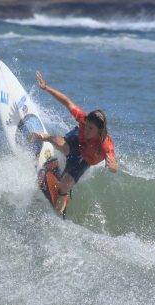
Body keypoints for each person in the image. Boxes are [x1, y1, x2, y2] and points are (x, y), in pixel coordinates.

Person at [29, 71, 118, 214]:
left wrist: (112, 166)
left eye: (91, 128)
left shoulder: (105, 144)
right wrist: (46, 88)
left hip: (86, 158)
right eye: (87, 125)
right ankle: (44, 137)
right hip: (77, 140)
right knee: (61, 144)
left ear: (100, 131)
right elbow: (66, 102)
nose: (87, 129)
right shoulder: (83, 119)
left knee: (65, 185)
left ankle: (60, 204)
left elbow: (113, 164)